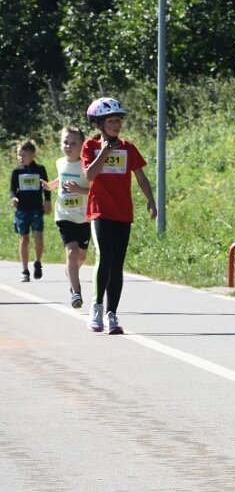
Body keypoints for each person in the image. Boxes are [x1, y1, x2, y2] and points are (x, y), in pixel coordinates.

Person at [82, 97, 157, 334]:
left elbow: (141, 177)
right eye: (111, 121)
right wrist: (104, 152)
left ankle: (112, 313)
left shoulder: (128, 148)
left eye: (118, 120)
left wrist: (151, 201)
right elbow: (89, 175)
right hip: (100, 211)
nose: (116, 125)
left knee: (117, 264)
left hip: (123, 212)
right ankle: (96, 308)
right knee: (104, 256)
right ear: (99, 124)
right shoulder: (90, 146)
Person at [41, 127, 91, 308]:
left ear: (82, 145)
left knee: (82, 256)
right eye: (65, 142)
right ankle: (76, 293)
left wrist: (79, 190)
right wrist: (50, 185)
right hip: (64, 215)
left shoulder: (87, 165)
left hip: (84, 217)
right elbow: (61, 179)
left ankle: (71, 273)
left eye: (73, 143)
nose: (68, 146)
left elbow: (96, 190)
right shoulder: (60, 162)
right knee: (72, 251)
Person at [9, 140, 51, 282]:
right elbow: (12, 189)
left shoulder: (40, 169)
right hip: (22, 210)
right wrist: (14, 198)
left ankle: (38, 262)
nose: (21, 157)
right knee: (24, 239)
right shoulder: (17, 171)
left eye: (24, 155)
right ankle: (25, 270)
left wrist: (47, 201)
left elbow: (46, 186)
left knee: (38, 237)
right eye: (19, 155)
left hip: (36, 209)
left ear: (33, 154)